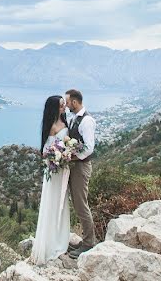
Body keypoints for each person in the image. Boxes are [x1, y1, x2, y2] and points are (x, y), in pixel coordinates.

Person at [29, 95, 71, 264]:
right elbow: (46, 151)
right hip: (55, 171)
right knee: (52, 203)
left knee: (62, 204)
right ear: (54, 108)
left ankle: (61, 240)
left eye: (64, 105)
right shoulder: (52, 126)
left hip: (64, 170)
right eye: (61, 106)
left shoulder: (64, 122)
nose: (64, 107)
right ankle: (50, 243)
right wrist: (57, 158)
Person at [64, 88, 96, 258]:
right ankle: (85, 240)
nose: (66, 104)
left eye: (68, 102)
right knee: (77, 204)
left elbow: (89, 147)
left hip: (81, 167)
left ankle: (89, 243)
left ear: (74, 102)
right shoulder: (73, 118)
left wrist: (72, 156)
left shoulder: (87, 121)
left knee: (81, 205)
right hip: (74, 167)